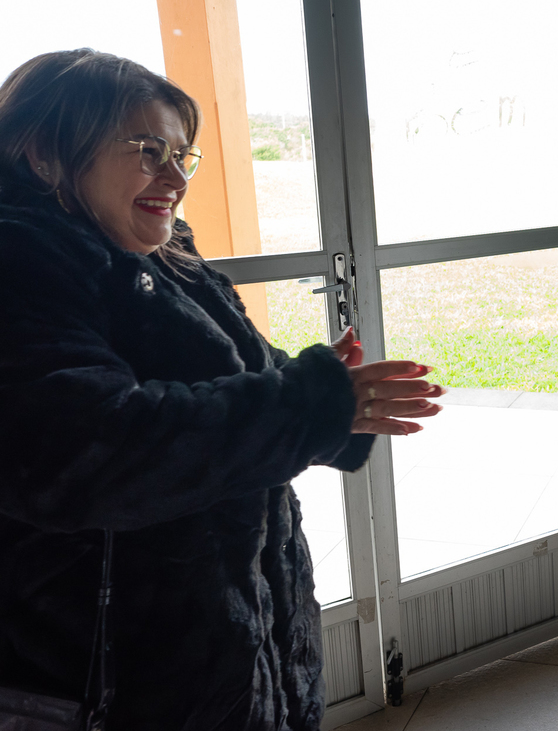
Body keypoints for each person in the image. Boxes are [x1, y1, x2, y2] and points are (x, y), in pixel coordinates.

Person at [0, 50, 443, 729]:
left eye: (182, 154)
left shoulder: (169, 259)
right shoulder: (23, 267)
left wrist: (325, 392)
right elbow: (91, 447)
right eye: (149, 150)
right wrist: (304, 404)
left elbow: (243, 387)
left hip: (229, 655)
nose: (175, 177)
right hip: (123, 686)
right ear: (44, 154)